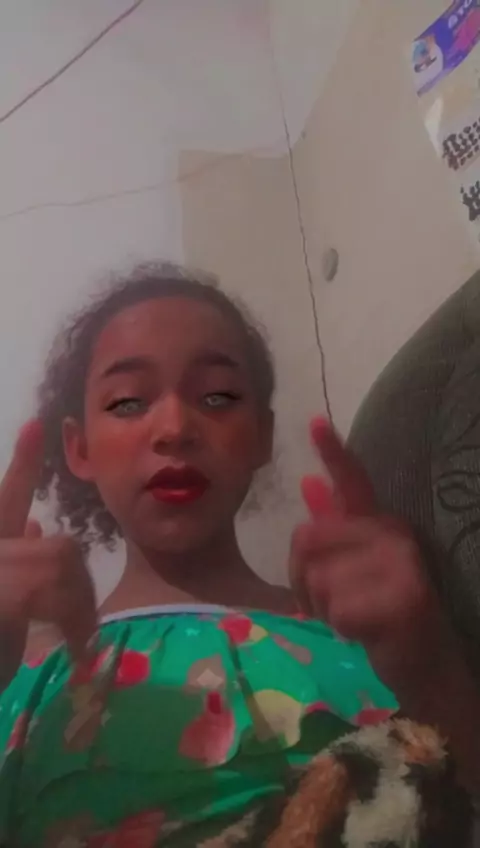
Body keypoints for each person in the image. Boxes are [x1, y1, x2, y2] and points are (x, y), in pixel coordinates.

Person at [0, 262, 478, 847]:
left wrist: (431, 663)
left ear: (260, 434)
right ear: (79, 448)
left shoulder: (375, 639)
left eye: (217, 396)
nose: (175, 426)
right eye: (127, 402)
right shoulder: (26, 679)